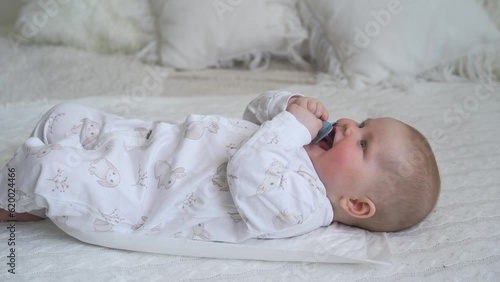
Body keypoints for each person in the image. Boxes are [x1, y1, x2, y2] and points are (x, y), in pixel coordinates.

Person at [0, 91, 440, 242]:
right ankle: (32, 202)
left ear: (356, 205)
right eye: (360, 122)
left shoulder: (304, 208)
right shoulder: (301, 143)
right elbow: (254, 115)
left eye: (362, 142)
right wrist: (286, 105)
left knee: (48, 169)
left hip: (139, 196)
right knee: (65, 117)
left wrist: (291, 126)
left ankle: (14, 198)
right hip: (148, 143)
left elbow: (247, 170)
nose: (346, 124)